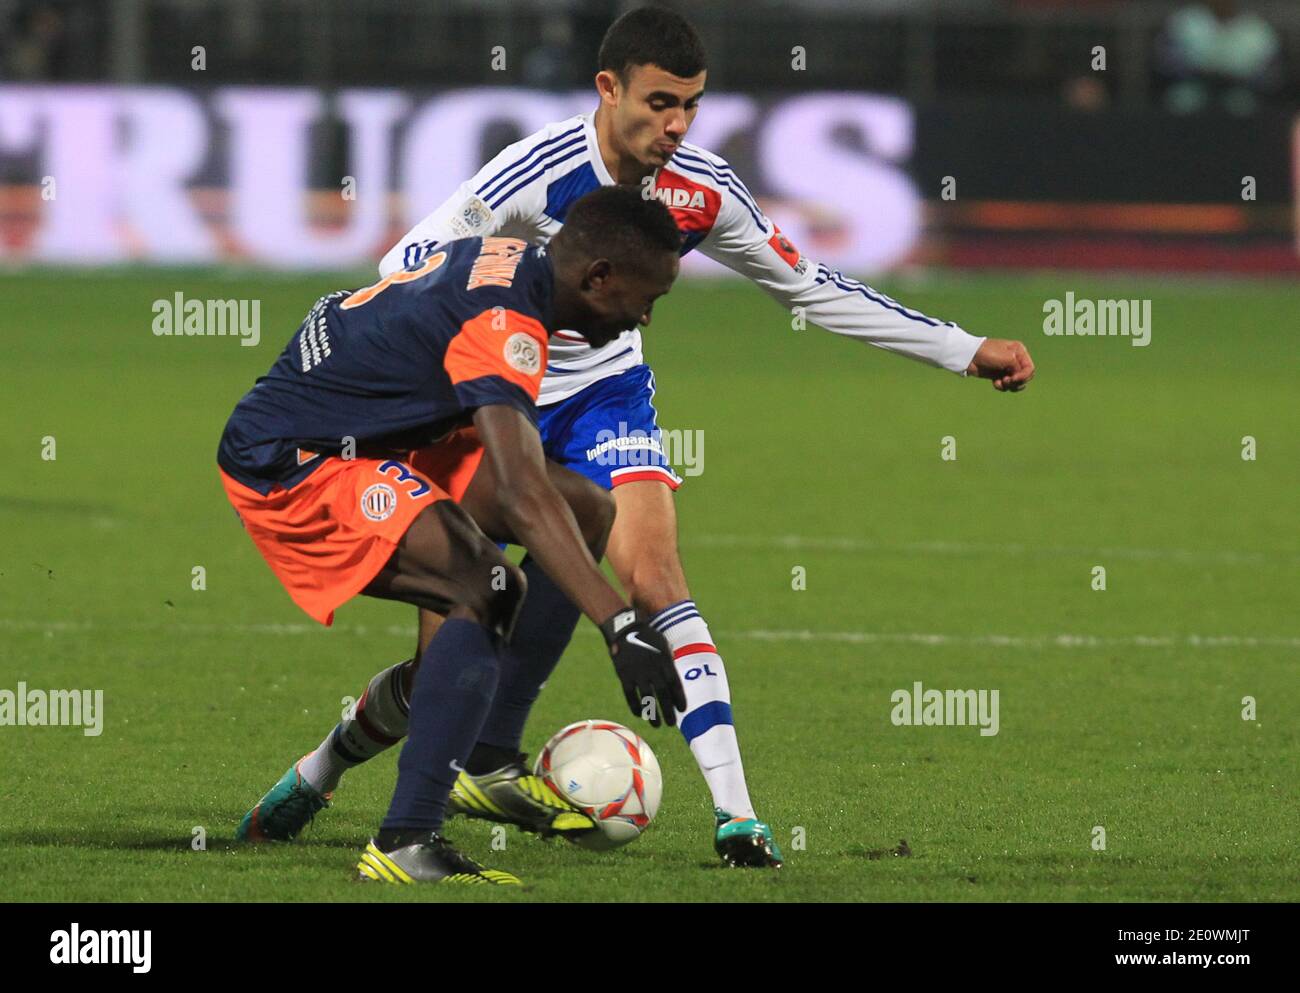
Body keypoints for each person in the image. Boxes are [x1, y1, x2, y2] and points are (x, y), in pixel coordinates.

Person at [239, 5, 1034, 870]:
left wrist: (961, 351)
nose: (677, 125)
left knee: (647, 570)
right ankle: (350, 778)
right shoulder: (535, 173)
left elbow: (810, 287)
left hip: (607, 393)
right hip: (496, 392)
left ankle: (719, 812)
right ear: (608, 88)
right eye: (659, 103)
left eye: (691, 105)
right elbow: (408, 267)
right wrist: (474, 362)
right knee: (469, 606)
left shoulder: (702, 188)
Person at [219, 186, 687, 884]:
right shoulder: (508, 324)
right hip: (297, 459)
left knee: (587, 511)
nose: (644, 316)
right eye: (645, 298)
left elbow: (529, 482)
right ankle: (406, 840)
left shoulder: (520, 262)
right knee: (487, 584)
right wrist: (619, 626)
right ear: (597, 279)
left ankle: (486, 757)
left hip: (384, 431)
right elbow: (522, 494)